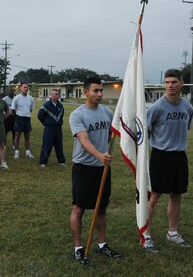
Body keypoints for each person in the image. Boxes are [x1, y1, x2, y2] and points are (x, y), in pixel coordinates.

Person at [69, 77, 122, 264]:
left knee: (101, 208)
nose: (100, 94)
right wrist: (99, 155)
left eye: (101, 90)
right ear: (85, 92)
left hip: (103, 168)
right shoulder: (77, 115)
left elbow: (110, 134)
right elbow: (83, 140)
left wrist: (103, 156)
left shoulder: (107, 112)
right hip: (84, 168)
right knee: (79, 207)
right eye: (95, 91)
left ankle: (102, 244)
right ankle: (78, 247)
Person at [142, 69, 193, 252]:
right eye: (167, 82)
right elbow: (143, 131)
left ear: (181, 83)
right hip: (161, 156)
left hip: (179, 155)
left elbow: (185, 129)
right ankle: (145, 235)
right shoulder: (157, 107)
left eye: (173, 82)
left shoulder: (187, 107)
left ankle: (172, 232)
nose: (170, 86)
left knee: (176, 194)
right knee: (153, 197)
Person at [38, 89, 66, 167]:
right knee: (47, 144)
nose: (57, 96)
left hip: (58, 128)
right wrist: (46, 123)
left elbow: (61, 116)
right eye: (55, 94)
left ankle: (61, 161)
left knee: (59, 145)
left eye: (58, 94)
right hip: (49, 128)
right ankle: (43, 161)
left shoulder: (60, 105)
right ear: (51, 95)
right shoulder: (46, 105)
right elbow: (40, 116)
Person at [11, 82, 35, 159]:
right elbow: (13, 110)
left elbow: (31, 109)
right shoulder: (17, 98)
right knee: (17, 135)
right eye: (24, 87)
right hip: (19, 118)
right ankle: (16, 152)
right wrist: (19, 116)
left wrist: (26, 114)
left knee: (27, 136)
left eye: (27, 87)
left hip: (27, 118)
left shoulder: (31, 98)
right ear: (21, 88)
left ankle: (27, 152)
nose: (26, 89)